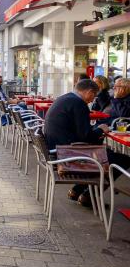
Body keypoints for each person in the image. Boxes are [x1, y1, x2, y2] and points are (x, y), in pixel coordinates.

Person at [43, 79, 130, 207]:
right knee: (120, 159)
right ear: (89, 92)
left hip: (57, 150)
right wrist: (100, 130)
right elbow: (86, 137)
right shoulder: (79, 104)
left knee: (108, 153)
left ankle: (77, 190)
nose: (93, 99)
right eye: (93, 96)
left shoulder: (66, 98)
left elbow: (82, 135)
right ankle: (89, 196)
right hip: (66, 154)